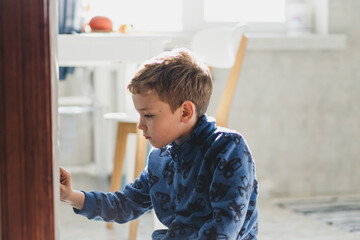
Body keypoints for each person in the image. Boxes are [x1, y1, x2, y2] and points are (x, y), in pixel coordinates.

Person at [60, 48, 259, 240]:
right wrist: (70, 196)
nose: (140, 125)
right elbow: (125, 205)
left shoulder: (228, 148)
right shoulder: (160, 158)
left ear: (185, 112)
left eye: (148, 115)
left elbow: (224, 229)